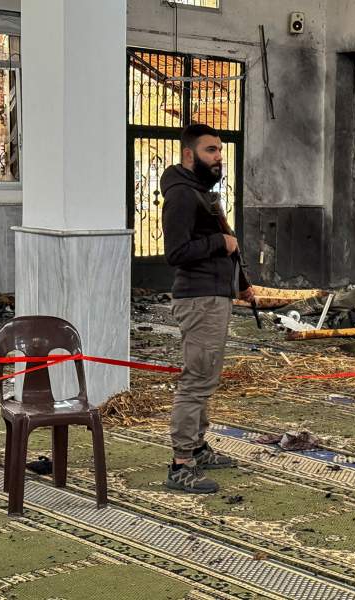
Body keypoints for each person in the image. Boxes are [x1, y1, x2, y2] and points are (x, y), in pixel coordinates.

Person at [160, 123, 255, 493]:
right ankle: (180, 464)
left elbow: (221, 244)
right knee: (196, 380)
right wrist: (220, 243)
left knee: (206, 379)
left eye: (219, 150)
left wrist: (242, 286)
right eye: (210, 151)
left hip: (213, 296)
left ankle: (198, 447)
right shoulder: (183, 196)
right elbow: (176, 253)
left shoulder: (199, 193)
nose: (218, 158)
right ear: (189, 154)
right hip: (198, 300)